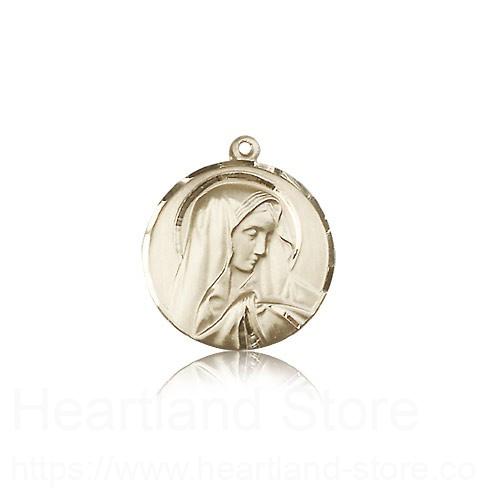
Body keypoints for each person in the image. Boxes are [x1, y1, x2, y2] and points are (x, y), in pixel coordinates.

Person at [169, 186, 319, 349]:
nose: (262, 249)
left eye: (268, 236)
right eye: (252, 234)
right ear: (220, 234)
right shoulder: (186, 312)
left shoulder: (279, 309)